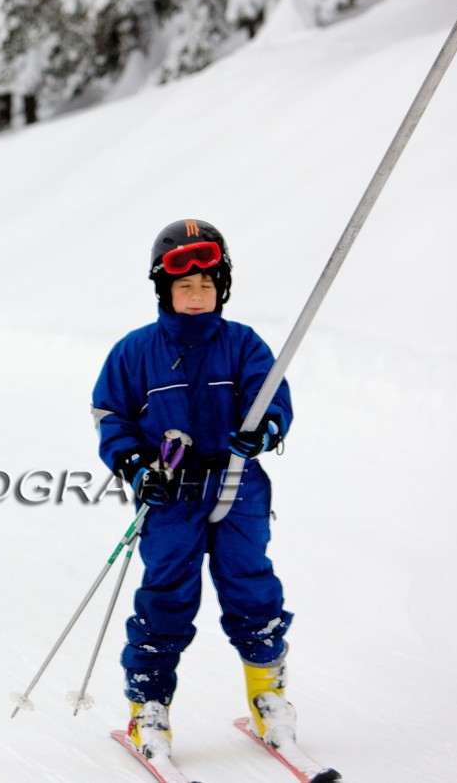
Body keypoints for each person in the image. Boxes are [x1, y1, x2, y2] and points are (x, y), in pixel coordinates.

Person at [91, 219, 296, 763]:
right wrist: (136, 465)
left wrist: (264, 427)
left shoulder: (244, 344)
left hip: (238, 483)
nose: (197, 295)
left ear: (221, 288)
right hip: (171, 491)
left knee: (251, 584)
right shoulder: (135, 352)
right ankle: (149, 711)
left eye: (207, 284)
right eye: (185, 286)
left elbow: (274, 398)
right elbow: (110, 415)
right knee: (167, 595)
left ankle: (267, 696)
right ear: (165, 289)